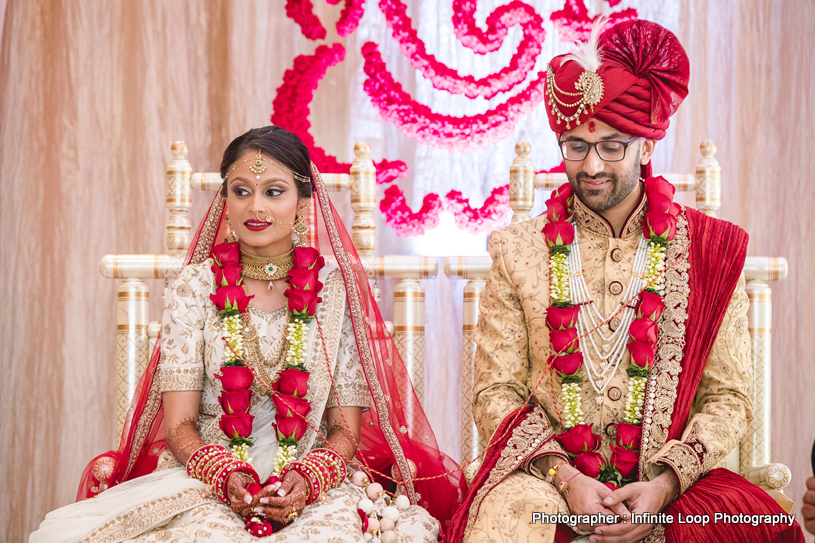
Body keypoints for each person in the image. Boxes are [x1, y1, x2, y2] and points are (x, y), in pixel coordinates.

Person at [446, 19, 803, 543]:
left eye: (612, 146)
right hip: (548, 485)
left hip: (672, 489)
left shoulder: (707, 248)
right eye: (574, 145)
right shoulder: (517, 249)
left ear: (647, 146)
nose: (591, 165)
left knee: (755, 524)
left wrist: (664, 484)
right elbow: (496, 392)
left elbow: (729, 396)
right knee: (512, 523)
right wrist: (566, 479)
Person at [31, 126, 465, 542]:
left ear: (302, 202)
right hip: (206, 477)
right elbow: (179, 423)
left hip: (310, 481)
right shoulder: (195, 287)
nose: (255, 207)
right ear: (226, 200)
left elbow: (345, 430)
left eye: (273, 191)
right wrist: (224, 474)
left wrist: (307, 480)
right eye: (241, 191)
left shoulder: (335, 291)